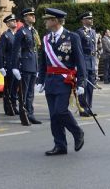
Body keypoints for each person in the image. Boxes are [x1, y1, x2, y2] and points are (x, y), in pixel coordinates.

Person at [35, 8, 87, 156]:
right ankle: (60, 145)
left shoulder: (72, 37)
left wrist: (82, 82)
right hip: (50, 81)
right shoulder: (46, 38)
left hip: (65, 80)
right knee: (53, 116)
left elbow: (80, 61)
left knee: (60, 111)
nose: (45, 21)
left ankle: (77, 132)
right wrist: (40, 79)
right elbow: (43, 61)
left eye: (48, 19)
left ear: (55, 21)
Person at [10, 7, 42, 124]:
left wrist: (37, 66)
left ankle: (30, 113)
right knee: (24, 92)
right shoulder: (21, 32)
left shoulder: (33, 31)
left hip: (33, 64)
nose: (33, 16)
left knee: (31, 93)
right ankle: (24, 114)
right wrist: (15, 67)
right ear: (25, 17)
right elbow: (16, 50)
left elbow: (36, 50)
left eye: (33, 14)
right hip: (25, 64)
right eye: (30, 15)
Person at [76, 12, 98, 117]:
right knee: (83, 86)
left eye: (91, 18)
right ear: (83, 21)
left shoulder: (93, 32)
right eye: (89, 18)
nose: (91, 20)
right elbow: (78, 49)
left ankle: (89, 107)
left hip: (92, 61)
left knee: (90, 87)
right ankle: (82, 108)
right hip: (84, 61)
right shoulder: (80, 33)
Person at [0, 14, 16, 116]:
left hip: (16, 65)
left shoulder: (15, 35)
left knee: (14, 88)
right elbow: (0, 52)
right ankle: (8, 108)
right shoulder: (5, 35)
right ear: (7, 24)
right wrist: (1, 66)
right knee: (8, 88)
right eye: (12, 21)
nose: (14, 22)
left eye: (15, 20)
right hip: (8, 65)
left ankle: (14, 106)